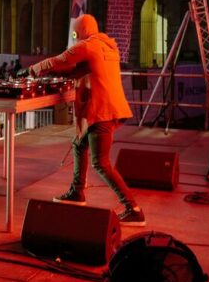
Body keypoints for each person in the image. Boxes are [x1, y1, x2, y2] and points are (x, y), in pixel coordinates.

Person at [30, 14, 145, 226]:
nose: (74, 37)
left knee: (101, 163)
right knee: (79, 145)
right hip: (109, 109)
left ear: (79, 31)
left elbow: (60, 60)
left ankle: (133, 209)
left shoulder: (87, 46)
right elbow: (86, 69)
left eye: (75, 33)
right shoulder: (107, 47)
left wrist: (33, 69)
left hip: (101, 111)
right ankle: (77, 192)